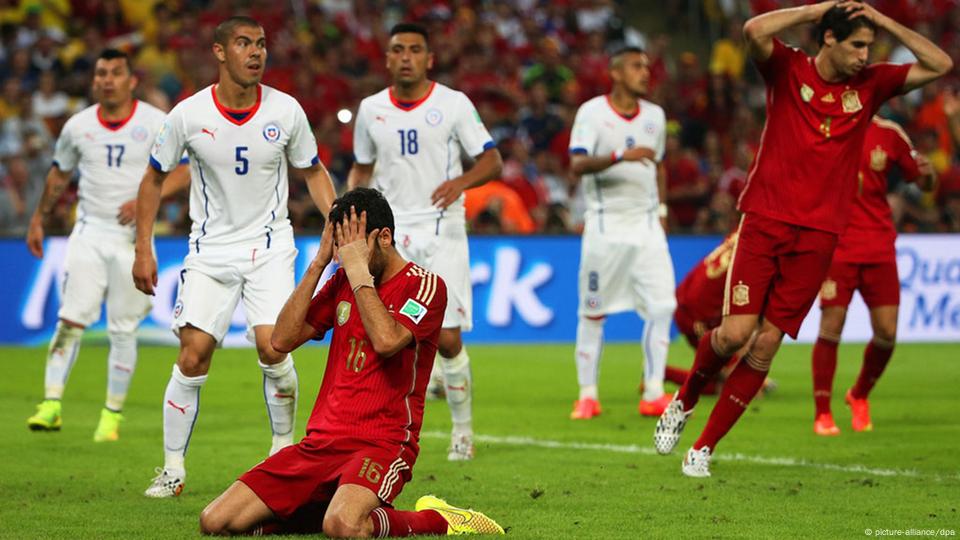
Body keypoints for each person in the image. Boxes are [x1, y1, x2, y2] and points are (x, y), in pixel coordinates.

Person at [654, 1, 952, 477]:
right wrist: (815, 9)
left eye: (868, 47)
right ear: (828, 38)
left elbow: (941, 65)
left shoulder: (870, 85)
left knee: (766, 345)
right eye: (856, 44)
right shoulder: (788, 68)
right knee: (734, 335)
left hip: (820, 234)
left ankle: (703, 449)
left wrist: (883, 21)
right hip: (766, 219)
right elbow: (753, 30)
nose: (863, 55)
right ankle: (685, 397)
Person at [197, 188, 504, 537]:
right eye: (340, 247)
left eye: (353, 246)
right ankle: (329, 508)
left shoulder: (426, 286)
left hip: (383, 443)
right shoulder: (340, 279)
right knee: (216, 521)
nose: (345, 257)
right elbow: (280, 341)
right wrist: (317, 265)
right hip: (321, 443)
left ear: (384, 237)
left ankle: (439, 519)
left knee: (343, 526)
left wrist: (359, 271)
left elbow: (387, 341)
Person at [133, 16, 337, 497]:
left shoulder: (286, 111)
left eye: (262, 44)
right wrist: (143, 247)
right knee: (193, 354)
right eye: (244, 43)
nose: (256, 52)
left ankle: (282, 449)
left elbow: (313, 170)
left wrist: (339, 221)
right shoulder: (187, 114)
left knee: (274, 347)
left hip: (269, 248)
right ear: (220, 52)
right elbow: (153, 178)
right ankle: (172, 468)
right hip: (210, 252)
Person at [347, 22, 503, 461]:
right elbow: (362, 166)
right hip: (388, 236)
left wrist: (461, 181)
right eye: (399, 49)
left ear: (429, 59)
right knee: (382, 335)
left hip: (442, 227)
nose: (407, 57)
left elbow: (493, 160)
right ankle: (377, 429)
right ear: (388, 58)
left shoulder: (453, 104)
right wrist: (349, 206)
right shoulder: (371, 108)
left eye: (416, 50)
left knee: (448, 338)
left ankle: (463, 433)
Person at [24, 49, 188, 442]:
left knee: (122, 328)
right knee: (70, 319)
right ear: (93, 80)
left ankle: (111, 415)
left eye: (116, 73)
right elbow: (59, 175)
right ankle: (50, 404)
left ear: (132, 81)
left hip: (134, 239)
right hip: (89, 231)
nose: (107, 79)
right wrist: (38, 218)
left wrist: (146, 200)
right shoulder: (77, 126)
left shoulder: (155, 122)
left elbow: (185, 172)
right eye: (101, 73)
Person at [567, 46, 676, 420]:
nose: (645, 72)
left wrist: (661, 210)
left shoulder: (655, 116)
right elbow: (578, 163)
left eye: (647, 66)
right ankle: (588, 394)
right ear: (615, 73)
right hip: (605, 226)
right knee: (594, 312)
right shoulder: (592, 113)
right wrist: (618, 156)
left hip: (646, 226)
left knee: (663, 306)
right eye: (636, 66)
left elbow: (657, 165)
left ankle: (654, 391)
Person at [811, 116, 935, 436]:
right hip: (837, 246)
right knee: (831, 325)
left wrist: (930, 177)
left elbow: (923, 181)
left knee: (887, 332)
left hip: (878, 244)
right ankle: (823, 413)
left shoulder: (889, 134)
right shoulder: (823, 125)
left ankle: (859, 394)